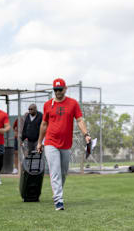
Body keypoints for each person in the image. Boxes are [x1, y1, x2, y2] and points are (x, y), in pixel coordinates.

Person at [36, 78, 92, 211]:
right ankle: (58, 200)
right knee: (55, 171)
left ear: (65, 89)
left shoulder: (73, 104)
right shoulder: (48, 105)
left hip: (66, 144)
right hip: (50, 142)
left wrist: (86, 134)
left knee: (63, 173)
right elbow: (44, 124)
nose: (58, 92)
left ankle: (57, 192)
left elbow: (79, 120)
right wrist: (40, 142)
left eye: (60, 89)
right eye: (55, 90)